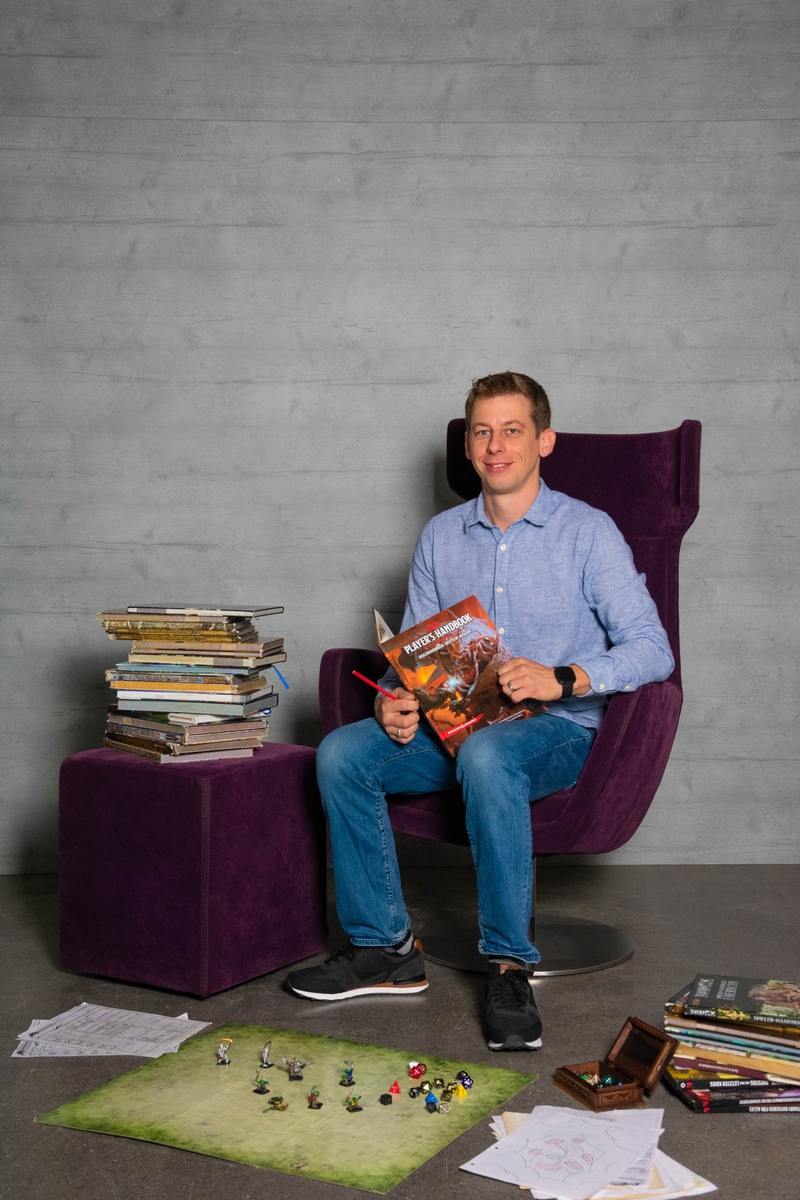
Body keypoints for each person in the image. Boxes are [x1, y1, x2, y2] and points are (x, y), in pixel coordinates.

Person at [286, 372, 674, 1050]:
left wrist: (563, 677)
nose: (496, 446)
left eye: (512, 430)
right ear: (466, 446)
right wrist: (393, 701)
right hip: (455, 724)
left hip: (558, 730)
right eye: (482, 432)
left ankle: (509, 967)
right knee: (343, 753)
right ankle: (384, 949)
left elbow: (653, 649)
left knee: (491, 755)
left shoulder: (588, 532)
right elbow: (411, 657)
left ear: (544, 441)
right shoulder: (440, 537)